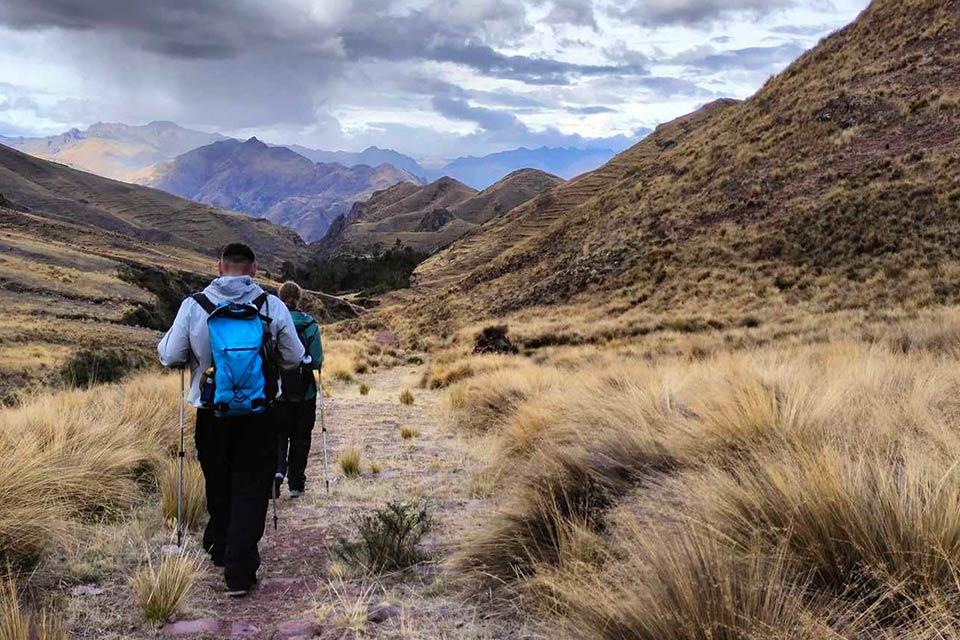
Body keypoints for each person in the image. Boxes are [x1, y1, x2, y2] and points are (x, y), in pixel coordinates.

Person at [157, 243, 305, 597]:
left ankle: (220, 546)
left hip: (211, 413)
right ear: (254, 270)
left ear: (219, 267)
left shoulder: (194, 305)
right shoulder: (272, 306)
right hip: (259, 413)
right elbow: (294, 357)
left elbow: (170, 355)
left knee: (218, 480)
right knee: (252, 485)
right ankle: (240, 569)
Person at [274, 281, 324, 499]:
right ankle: (296, 485)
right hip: (306, 392)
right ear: (299, 299)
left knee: (277, 436)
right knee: (301, 438)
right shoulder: (311, 325)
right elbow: (317, 362)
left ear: (280, 297)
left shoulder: (273, 323)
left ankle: (275, 472)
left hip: (277, 391)